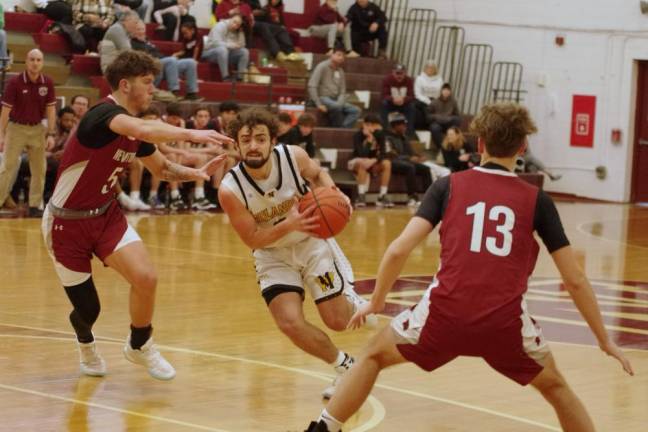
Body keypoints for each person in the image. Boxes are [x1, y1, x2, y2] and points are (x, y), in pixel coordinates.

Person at [304, 102, 634, 432]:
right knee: (557, 388)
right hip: (504, 325)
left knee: (373, 355)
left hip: (443, 315)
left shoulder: (447, 186)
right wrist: (604, 339)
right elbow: (574, 280)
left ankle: (323, 429)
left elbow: (397, 250)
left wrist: (376, 302)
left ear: (479, 144)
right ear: (522, 147)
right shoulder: (538, 201)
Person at [41, 50, 232, 380]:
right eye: (148, 83)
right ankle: (86, 343)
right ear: (125, 85)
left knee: (146, 278)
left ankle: (139, 344)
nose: (153, 90)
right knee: (89, 310)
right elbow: (140, 128)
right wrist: (193, 134)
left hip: (105, 216)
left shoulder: (135, 132)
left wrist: (197, 173)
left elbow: (163, 168)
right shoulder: (102, 116)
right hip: (66, 223)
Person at [219, 107, 376, 399]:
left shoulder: (293, 157)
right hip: (272, 254)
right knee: (289, 322)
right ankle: (345, 367)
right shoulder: (230, 189)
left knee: (338, 321)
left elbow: (319, 174)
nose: (254, 145)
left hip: (312, 244)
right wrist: (288, 223)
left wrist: (337, 196)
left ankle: (353, 301)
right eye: (246, 139)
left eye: (260, 139)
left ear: (272, 140)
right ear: (237, 145)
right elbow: (252, 238)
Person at [0, 49, 57, 218]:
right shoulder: (15, 82)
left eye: (39, 60)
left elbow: (51, 110)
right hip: (16, 128)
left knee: (39, 169)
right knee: (7, 167)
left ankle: (34, 205)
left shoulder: (47, 82)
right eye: (32, 59)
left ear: (42, 62)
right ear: (26, 61)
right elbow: (5, 110)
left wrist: (51, 133)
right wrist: (1, 133)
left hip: (37, 129)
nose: (35, 63)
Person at [130, 20, 203, 101]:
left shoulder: (147, 41)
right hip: (154, 65)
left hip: (166, 64)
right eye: (138, 29)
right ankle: (174, 92)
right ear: (132, 30)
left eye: (142, 29)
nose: (141, 32)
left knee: (190, 62)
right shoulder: (133, 43)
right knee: (171, 60)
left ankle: (192, 93)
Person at [386, 113, 432, 206]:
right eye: (403, 125)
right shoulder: (387, 138)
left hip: (406, 161)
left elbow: (411, 152)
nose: (405, 127)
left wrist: (418, 157)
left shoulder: (404, 138)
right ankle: (412, 197)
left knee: (425, 169)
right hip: (393, 162)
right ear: (395, 126)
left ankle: (429, 197)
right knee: (410, 167)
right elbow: (392, 155)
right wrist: (409, 158)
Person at [308, 46, 360, 128]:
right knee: (336, 106)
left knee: (356, 110)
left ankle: (342, 130)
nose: (341, 58)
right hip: (323, 97)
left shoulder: (341, 71)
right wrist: (318, 104)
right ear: (332, 55)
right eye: (339, 55)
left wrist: (340, 102)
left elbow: (342, 91)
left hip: (336, 100)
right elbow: (312, 86)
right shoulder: (322, 66)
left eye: (343, 56)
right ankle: (340, 131)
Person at [348, 113, 392, 208]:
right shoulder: (358, 135)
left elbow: (384, 153)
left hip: (373, 162)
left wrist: (373, 160)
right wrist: (369, 140)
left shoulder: (380, 135)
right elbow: (361, 154)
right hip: (357, 161)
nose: (378, 128)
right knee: (362, 163)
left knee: (387, 163)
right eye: (376, 126)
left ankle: (382, 196)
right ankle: (361, 196)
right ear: (367, 125)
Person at [202, 15, 250, 82]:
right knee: (222, 49)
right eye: (234, 22)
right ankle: (225, 77)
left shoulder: (237, 30)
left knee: (245, 52)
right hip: (210, 52)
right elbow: (216, 43)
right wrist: (230, 45)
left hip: (226, 54)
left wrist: (241, 32)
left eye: (238, 25)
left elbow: (242, 45)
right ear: (230, 19)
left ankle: (239, 77)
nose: (235, 25)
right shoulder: (220, 26)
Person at [381, 64, 416, 136]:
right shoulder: (387, 79)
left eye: (401, 73)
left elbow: (411, 96)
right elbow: (384, 95)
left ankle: (409, 131)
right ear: (393, 72)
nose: (399, 76)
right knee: (384, 103)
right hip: (391, 103)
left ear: (405, 73)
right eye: (397, 73)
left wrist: (403, 99)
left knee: (412, 106)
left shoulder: (409, 80)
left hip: (403, 104)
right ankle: (385, 129)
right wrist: (393, 99)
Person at [428, 83, 461, 150]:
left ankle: (452, 146)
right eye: (444, 90)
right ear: (441, 91)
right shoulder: (434, 102)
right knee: (434, 127)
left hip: (448, 123)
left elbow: (457, 115)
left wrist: (450, 118)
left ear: (450, 92)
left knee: (457, 120)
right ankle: (442, 148)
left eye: (448, 90)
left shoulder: (453, 102)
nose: (446, 92)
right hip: (438, 123)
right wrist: (436, 117)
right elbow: (428, 115)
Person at [413, 59, 443, 129]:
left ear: (435, 69)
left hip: (435, 100)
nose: (430, 69)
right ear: (425, 68)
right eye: (428, 67)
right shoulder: (419, 78)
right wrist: (428, 102)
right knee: (421, 107)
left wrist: (434, 102)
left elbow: (440, 93)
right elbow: (417, 93)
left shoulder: (440, 79)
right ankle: (426, 124)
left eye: (432, 68)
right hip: (422, 100)